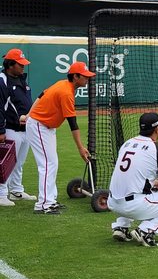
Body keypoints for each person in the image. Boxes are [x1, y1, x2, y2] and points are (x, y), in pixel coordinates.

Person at [108, 112, 158, 247]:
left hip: (112, 203)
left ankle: (121, 227)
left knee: (136, 189)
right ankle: (145, 231)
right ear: (157, 129)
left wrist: (155, 183)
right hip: (133, 206)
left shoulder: (127, 143)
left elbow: (132, 175)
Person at [25, 61, 94, 214]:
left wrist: (29, 114)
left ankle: (50, 200)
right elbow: (73, 124)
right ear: (75, 77)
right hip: (39, 126)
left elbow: (41, 95)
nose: (87, 79)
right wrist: (80, 148)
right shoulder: (66, 92)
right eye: (85, 76)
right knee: (47, 164)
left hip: (46, 127)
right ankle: (44, 204)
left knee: (52, 163)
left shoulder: (64, 84)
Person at [0, 48, 36, 206]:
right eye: (20, 64)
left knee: (19, 162)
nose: (23, 66)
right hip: (9, 128)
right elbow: (0, 107)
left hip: (24, 128)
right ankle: (1, 194)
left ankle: (16, 190)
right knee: (5, 163)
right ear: (10, 65)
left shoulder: (21, 79)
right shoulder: (2, 80)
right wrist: (0, 130)